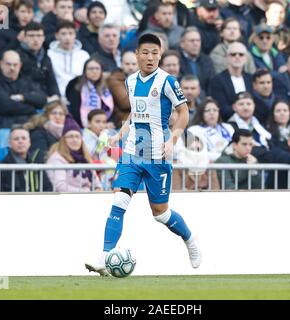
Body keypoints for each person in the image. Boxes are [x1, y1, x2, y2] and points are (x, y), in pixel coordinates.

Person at [85, 33, 202, 277]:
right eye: (145, 53)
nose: (150, 57)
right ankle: (105, 257)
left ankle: (189, 240)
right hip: (132, 153)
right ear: (137, 55)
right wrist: (120, 134)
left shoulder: (168, 82)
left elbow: (183, 112)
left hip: (158, 155)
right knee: (119, 202)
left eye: (155, 53)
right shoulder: (130, 81)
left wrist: (173, 139)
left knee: (161, 214)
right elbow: (136, 114)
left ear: (160, 56)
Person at [46, 115, 102, 192]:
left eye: (77, 136)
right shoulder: (56, 159)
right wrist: (86, 192)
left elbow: (96, 182)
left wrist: (98, 188)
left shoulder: (85, 157)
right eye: (70, 136)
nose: (75, 140)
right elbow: (60, 186)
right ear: (63, 140)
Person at [65, 58, 114, 128]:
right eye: (91, 69)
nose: (94, 71)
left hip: (103, 125)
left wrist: (107, 122)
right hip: (80, 125)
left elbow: (109, 109)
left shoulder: (105, 87)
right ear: (85, 71)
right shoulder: (75, 84)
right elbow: (74, 110)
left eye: (97, 68)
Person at [2, 125, 53, 192]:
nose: (20, 141)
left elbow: (47, 187)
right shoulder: (5, 166)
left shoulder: (36, 161)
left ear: (29, 142)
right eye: (16, 139)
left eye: (24, 138)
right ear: (10, 143)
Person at [48, 20, 90, 98]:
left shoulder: (84, 55)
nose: (67, 37)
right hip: (56, 96)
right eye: (63, 34)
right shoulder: (49, 54)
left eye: (71, 33)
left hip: (79, 95)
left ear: (75, 35)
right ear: (57, 35)